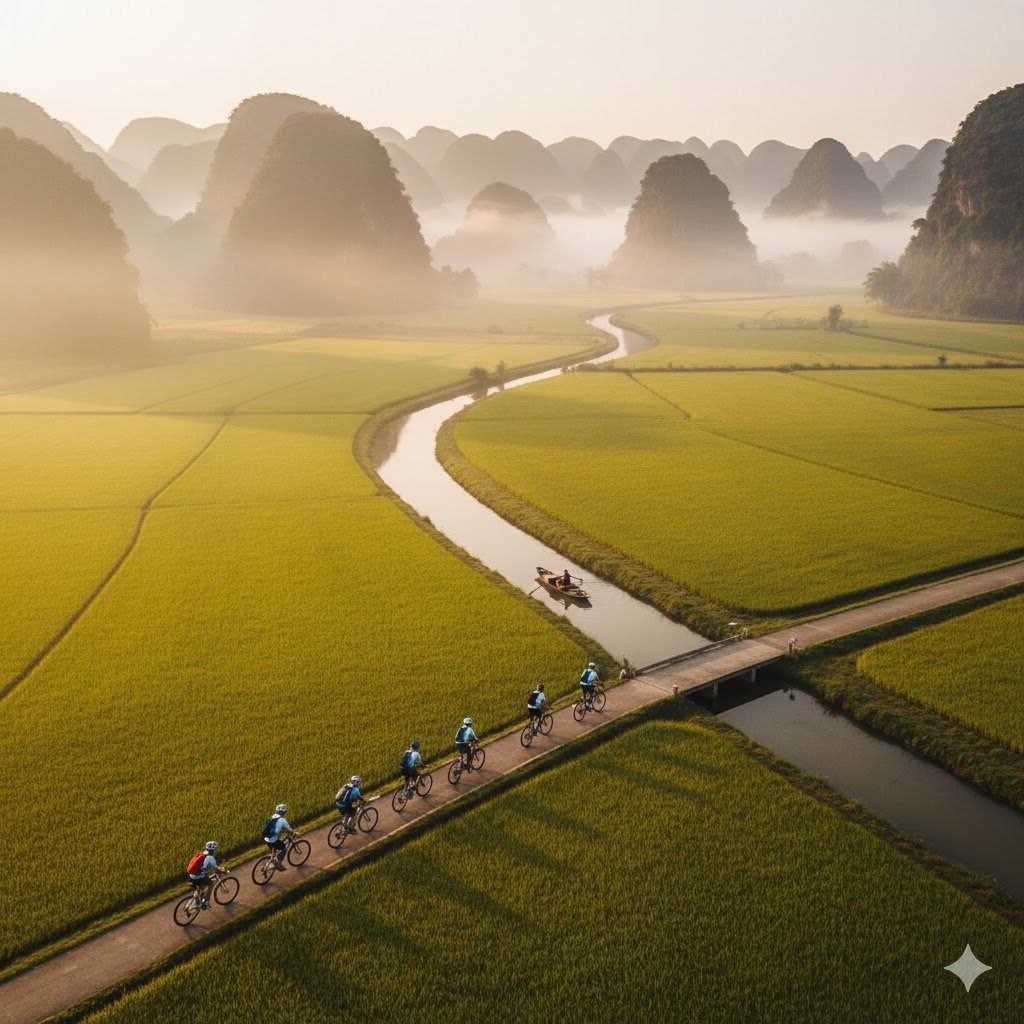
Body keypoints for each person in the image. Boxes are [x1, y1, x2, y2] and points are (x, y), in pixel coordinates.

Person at [186, 841, 221, 908]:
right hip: (198, 877)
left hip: (191, 875)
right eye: (215, 849)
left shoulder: (201, 854)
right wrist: (221, 870)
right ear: (213, 850)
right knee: (211, 884)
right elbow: (216, 868)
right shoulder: (211, 858)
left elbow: (203, 868)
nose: (216, 851)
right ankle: (206, 902)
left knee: (201, 886)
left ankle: (195, 902)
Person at [262, 803, 293, 871]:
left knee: (274, 850)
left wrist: (281, 829)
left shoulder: (273, 816)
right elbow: (290, 830)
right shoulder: (283, 820)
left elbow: (275, 826)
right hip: (272, 840)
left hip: (266, 838)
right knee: (283, 848)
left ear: (277, 811)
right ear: (285, 812)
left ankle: (267, 865)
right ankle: (278, 864)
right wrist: (294, 833)